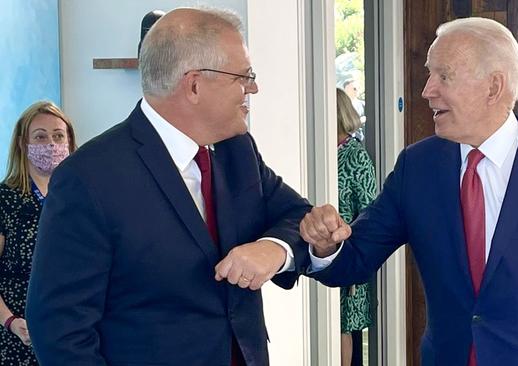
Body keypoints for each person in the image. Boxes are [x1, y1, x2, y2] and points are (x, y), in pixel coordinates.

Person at [302, 17, 518, 366]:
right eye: (431, 75)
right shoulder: (417, 167)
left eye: (443, 76)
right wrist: (325, 247)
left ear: (493, 87)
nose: (427, 90)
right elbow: (354, 260)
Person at [26, 8, 311, 366]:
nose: (252, 88)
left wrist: (273, 249)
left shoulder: (238, 152)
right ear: (193, 85)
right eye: (243, 76)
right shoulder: (88, 178)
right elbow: (59, 329)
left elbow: (300, 219)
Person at [0, 101, 76, 365]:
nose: (51, 144)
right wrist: (9, 321)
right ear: (23, 144)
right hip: (19, 334)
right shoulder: (6, 199)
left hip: (73, 332)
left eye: (58, 136)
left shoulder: (82, 197)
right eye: (40, 136)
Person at [335, 88, 377, 366]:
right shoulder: (321, 152)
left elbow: (371, 209)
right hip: (320, 255)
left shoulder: (355, 156)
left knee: (345, 327)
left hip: (349, 255)